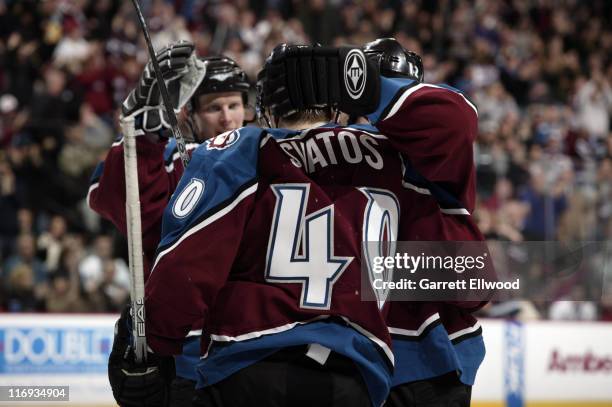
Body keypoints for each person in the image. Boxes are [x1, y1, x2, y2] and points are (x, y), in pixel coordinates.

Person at [88, 42, 250, 406]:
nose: (226, 118)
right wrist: (142, 135)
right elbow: (114, 199)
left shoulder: (261, 156)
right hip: (180, 351)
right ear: (188, 113)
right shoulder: (166, 157)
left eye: (234, 105)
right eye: (213, 108)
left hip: (245, 348)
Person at [361, 38, 487, 407]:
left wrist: (367, 87)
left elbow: (458, 114)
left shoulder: (436, 142)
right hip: (358, 349)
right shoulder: (339, 144)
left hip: (430, 353)